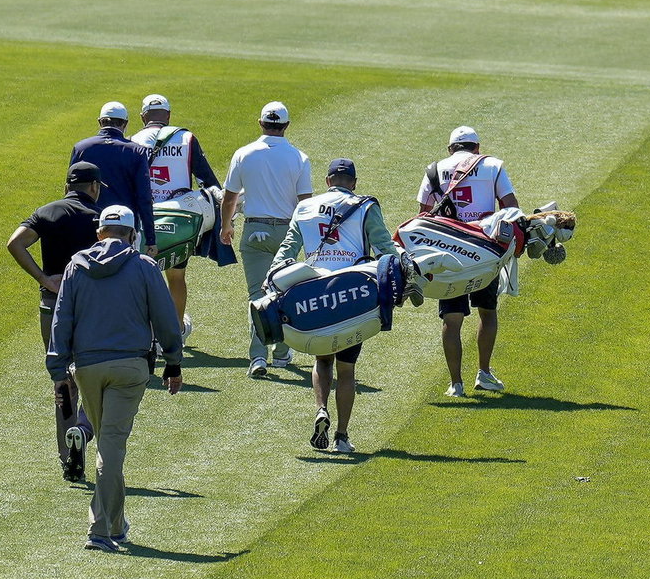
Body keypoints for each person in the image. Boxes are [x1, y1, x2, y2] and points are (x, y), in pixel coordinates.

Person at [46, 205, 183, 553]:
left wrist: (58, 372)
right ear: (132, 234)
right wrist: (173, 361)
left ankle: (117, 526)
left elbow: (62, 319)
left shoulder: (76, 266)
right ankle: (100, 530)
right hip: (130, 369)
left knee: (108, 446)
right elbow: (165, 317)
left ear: (99, 233)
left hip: (86, 369)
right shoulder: (144, 266)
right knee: (110, 448)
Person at [272, 158, 397, 454]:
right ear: (353, 182)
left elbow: (288, 249)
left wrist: (274, 275)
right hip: (353, 294)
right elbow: (384, 249)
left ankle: (320, 409)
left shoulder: (305, 207)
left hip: (316, 293)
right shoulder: (365, 206)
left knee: (322, 360)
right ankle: (341, 436)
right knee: (347, 368)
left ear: (327, 181)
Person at [7, 161, 104, 482]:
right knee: (94, 378)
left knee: (63, 381)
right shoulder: (98, 219)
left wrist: (44, 278)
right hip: (89, 309)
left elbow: (15, 243)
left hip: (51, 307)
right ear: (94, 187)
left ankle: (68, 458)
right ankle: (83, 430)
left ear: (67, 187)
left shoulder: (46, 213)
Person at [417, 126, 519, 397]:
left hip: (448, 252)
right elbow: (511, 208)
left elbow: (423, 216)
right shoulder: (493, 166)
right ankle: (484, 373)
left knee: (452, 319)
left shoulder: (434, 170)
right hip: (484, 250)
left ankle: (456, 384)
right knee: (487, 311)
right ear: (477, 147)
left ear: (450, 149)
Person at [220, 101, 312, 378]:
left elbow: (229, 198)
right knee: (283, 292)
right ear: (286, 126)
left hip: (254, 230)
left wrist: (226, 226)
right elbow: (305, 204)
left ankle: (258, 357)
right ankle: (281, 352)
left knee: (258, 296)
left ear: (261, 123)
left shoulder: (243, 154)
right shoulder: (299, 158)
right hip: (287, 233)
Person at [130, 93, 222, 334]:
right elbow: (207, 181)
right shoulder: (186, 138)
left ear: (143, 117)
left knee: (143, 278)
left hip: (143, 220)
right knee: (177, 277)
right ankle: (176, 332)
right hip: (178, 220)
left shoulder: (133, 140)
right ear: (169, 116)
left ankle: (146, 334)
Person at [71, 101, 155, 253]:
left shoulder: (81, 148)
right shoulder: (136, 151)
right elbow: (144, 197)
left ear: (100, 122)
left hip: (88, 225)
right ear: (125, 124)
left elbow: (72, 190)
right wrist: (150, 239)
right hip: (124, 228)